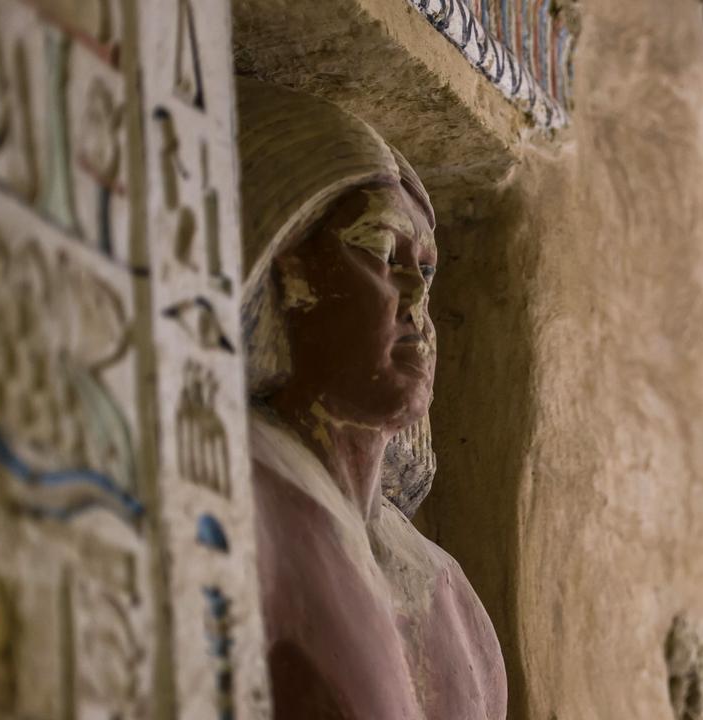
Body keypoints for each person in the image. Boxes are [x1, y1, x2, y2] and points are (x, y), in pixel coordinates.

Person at [237, 78, 506, 719]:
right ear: (288, 271)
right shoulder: (227, 491)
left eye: (427, 270)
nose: (416, 299)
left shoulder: (448, 587)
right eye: (381, 252)